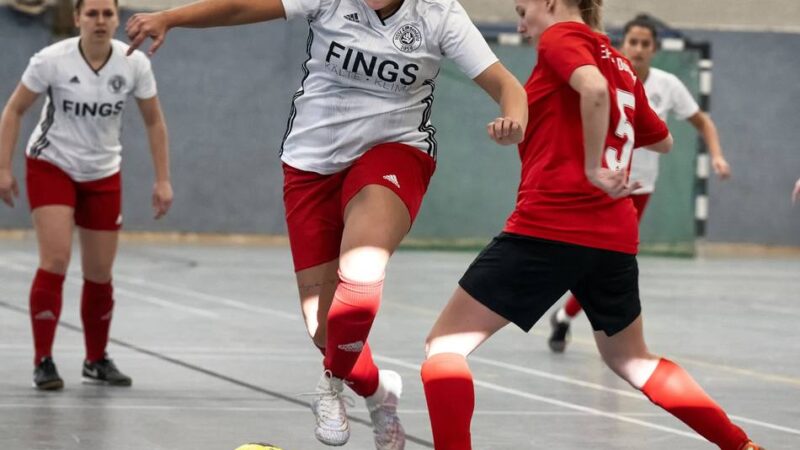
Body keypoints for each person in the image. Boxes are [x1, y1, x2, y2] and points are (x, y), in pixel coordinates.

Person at [125, 0, 527, 448]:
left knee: (362, 266)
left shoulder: (438, 13)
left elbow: (507, 85)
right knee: (325, 328)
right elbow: (240, 8)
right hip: (312, 162)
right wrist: (169, 17)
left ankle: (331, 385)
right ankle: (377, 391)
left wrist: (514, 119)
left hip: (395, 151)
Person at [420, 1, 762, 449]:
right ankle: (741, 445)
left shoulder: (562, 39)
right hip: (613, 238)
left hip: (549, 227)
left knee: (443, 348)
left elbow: (594, 90)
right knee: (633, 360)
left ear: (552, 3)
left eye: (525, 9)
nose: (521, 24)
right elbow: (663, 139)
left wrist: (592, 166)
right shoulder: (620, 62)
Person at [0, 0, 173, 390]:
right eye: (91, 13)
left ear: (118, 19)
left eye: (107, 14)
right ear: (77, 18)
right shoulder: (50, 60)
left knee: (99, 273)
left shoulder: (134, 64)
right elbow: (14, 110)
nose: (99, 21)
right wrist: (3, 168)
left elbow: (154, 121)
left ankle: (96, 359)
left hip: (102, 171)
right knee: (57, 258)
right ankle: (43, 359)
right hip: (52, 164)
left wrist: (163, 179)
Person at [547, 13, 734, 353]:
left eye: (645, 44)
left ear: (655, 49)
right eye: (633, 41)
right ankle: (579, 320)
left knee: (608, 260)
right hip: (600, 182)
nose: (638, 49)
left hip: (638, 188)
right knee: (592, 257)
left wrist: (718, 156)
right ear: (622, 44)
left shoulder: (667, 85)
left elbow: (702, 122)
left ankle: (566, 316)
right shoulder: (603, 76)